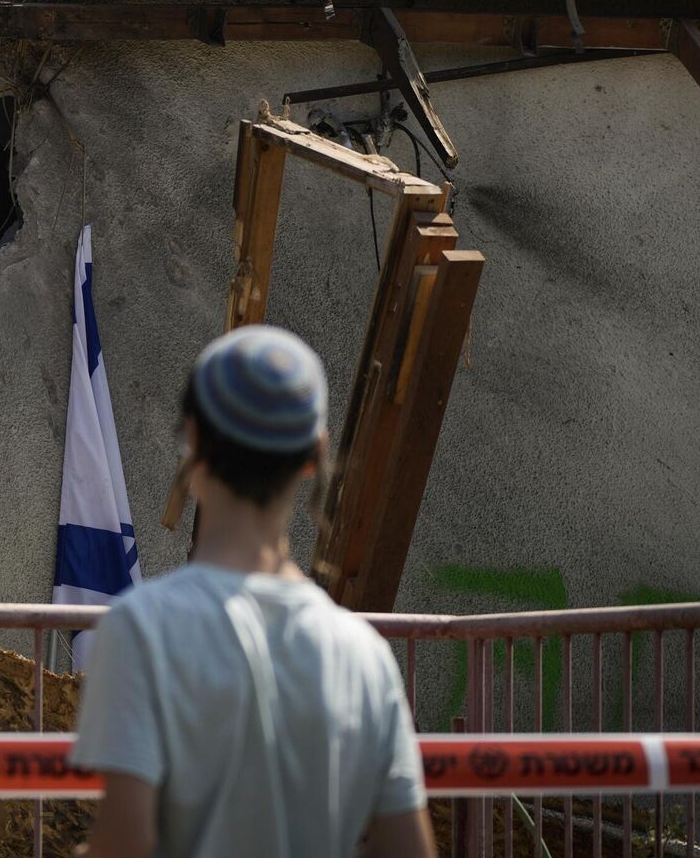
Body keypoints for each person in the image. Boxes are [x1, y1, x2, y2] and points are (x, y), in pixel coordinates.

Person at [71, 325, 434, 858]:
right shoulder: (366, 656)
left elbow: (125, 845)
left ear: (193, 442)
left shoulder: (142, 629)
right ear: (315, 457)